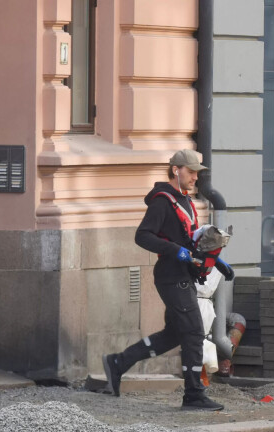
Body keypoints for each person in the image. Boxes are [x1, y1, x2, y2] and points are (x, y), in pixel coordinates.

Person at [102, 149, 234, 410]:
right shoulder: (162, 201)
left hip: (181, 276)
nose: (196, 176)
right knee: (195, 331)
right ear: (176, 170)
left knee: (175, 334)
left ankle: (118, 362)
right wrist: (177, 251)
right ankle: (194, 395)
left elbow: (190, 239)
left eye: (197, 172)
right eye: (191, 171)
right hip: (171, 277)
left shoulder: (185, 199)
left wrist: (214, 260)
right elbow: (143, 236)